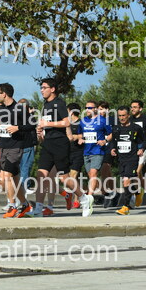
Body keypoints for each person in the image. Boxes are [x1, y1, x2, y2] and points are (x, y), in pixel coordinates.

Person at [29, 78, 93, 217]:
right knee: (41, 176)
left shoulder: (59, 103)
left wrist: (47, 124)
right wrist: (40, 132)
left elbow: (66, 123)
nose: (41, 90)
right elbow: (48, 125)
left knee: (65, 179)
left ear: (52, 89)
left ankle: (84, 199)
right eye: (41, 88)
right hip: (48, 144)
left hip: (60, 144)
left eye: (44, 87)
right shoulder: (45, 105)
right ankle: (38, 209)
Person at [0, 83, 35, 218]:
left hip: (15, 147)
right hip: (3, 146)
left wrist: (18, 128)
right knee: (15, 178)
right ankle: (25, 204)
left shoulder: (19, 108)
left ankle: (12, 206)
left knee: (7, 176)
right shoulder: (0, 108)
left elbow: (32, 124)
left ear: (4, 94)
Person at [110, 106, 146, 216]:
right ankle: (138, 192)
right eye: (119, 116)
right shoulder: (116, 128)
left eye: (123, 115)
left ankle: (125, 207)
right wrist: (112, 149)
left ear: (128, 116)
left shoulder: (136, 128)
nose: (121, 118)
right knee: (125, 181)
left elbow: (144, 140)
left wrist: (141, 149)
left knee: (126, 180)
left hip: (132, 158)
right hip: (121, 158)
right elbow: (113, 141)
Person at [79, 100, 112, 201]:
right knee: (91, 175)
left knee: (93, 174)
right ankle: (106, 192)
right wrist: (80, 139)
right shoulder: (83, 121)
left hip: (97, 151)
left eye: (90, 108)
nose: (87, 110)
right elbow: (80, 133)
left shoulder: (102, 120)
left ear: (96, 109)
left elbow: (111, 134)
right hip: (86, 151)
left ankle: (89, 198)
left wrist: (105, 141)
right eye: (86, 108)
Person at [17, 98, 37, 196]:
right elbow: (32, 125)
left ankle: (21, 188)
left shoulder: (15, 116)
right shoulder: (28, 116)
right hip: (27, 145)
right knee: (25, 167)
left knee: (21, 168)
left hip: (19, 145)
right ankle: (24, 187)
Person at [67, 102, 84, 210]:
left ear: (71, 112)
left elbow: (85, 135)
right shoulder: (66, 123)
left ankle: (76, 200)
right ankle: (79, 196)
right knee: (70, 177)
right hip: (67, 152)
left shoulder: (81, 123)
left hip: (78, 152)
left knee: (73, 176)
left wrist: (76, 137)